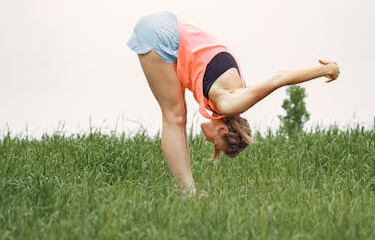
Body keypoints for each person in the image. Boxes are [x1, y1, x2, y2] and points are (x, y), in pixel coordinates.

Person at [127, 11, 340, 196]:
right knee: (175, 116)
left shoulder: (232, 93)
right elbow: (278, 78)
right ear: (222, 129)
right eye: (214, 143)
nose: (208, 140)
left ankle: (188, 192)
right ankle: (189, 194)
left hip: (167, 25)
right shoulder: (230, 104)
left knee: (177, 113)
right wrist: (325, 69)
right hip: (161, 34)